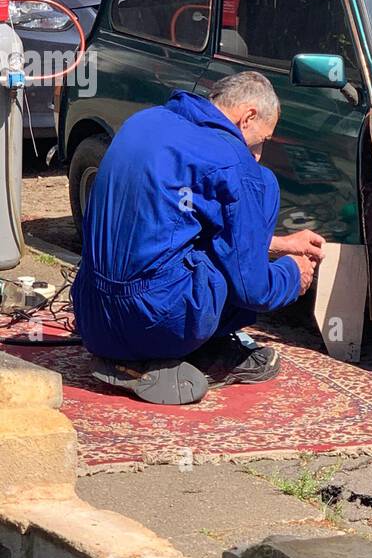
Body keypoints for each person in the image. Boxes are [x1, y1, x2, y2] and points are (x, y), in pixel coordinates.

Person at [71, 70, 324, 405]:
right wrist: (293, 273)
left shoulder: (145, 122)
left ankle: (132, 356)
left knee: (203, 246)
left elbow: (163, 223)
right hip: (159, 323)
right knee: (264, 184)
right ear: (247, 116)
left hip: (93, 317)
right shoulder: (231, 158)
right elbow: (254, 288)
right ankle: (205, 352)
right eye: (262, 140)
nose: (258, 152)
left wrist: (278, 243)